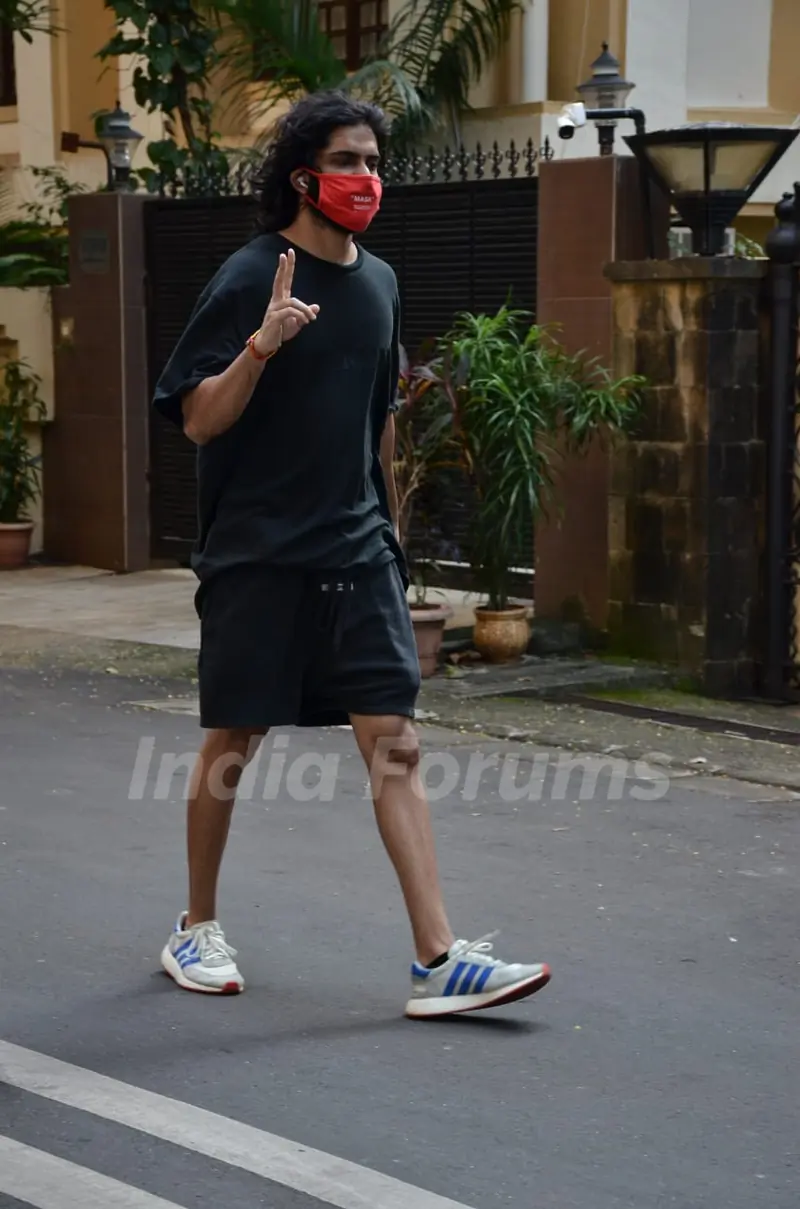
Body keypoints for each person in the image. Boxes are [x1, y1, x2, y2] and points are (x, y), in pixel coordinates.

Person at [152, 90, 551, 1019]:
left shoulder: (380, 283)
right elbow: (200, 420)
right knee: (233, 741)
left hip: (357, 550)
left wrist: (388, 534)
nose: (367, 177)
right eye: (347, 161)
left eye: (374, 161)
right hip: (258, 554)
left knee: (396, 743)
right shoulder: (250, 275)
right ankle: (194, 925)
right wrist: (261, 346)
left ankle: (437, 958)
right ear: (304, 177)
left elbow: (378, 420)